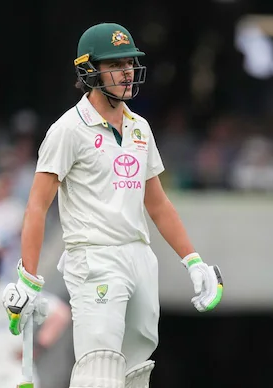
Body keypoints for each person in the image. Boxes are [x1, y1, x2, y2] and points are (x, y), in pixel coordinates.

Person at [2, 23, 224, 388]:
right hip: (94, 258)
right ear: (89, 71)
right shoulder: (67, 130)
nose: (127, 72)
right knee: (99, 367)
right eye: (116, 64)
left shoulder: (140, 128)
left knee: (136, 369)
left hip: (139, 256)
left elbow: (158, 204)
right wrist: (28, 277)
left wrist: (193, 260)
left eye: (130, 63)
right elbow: (37, 206)